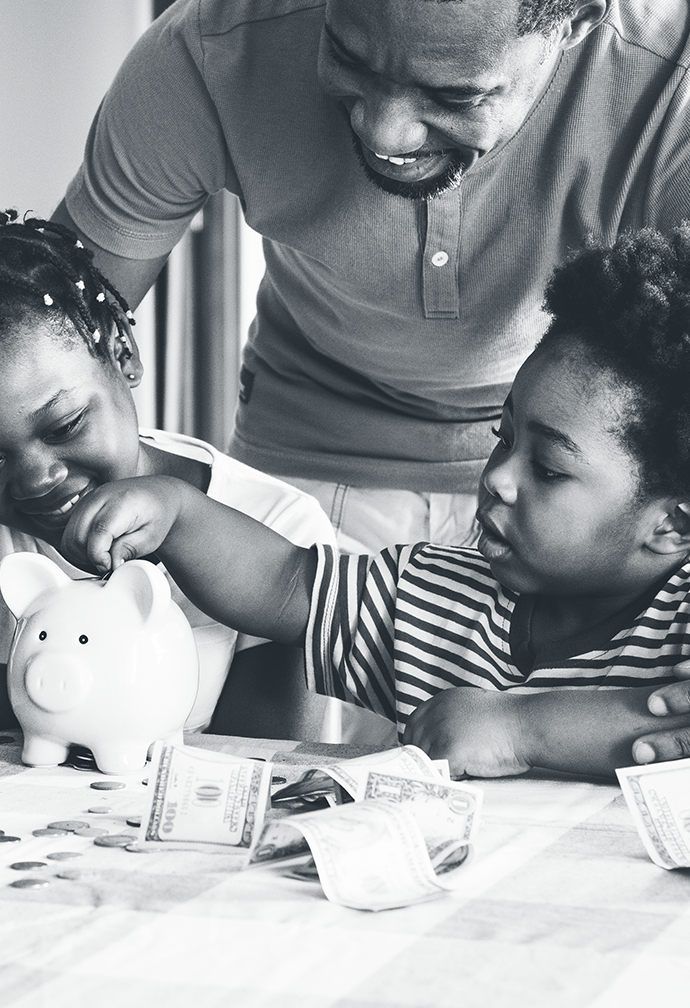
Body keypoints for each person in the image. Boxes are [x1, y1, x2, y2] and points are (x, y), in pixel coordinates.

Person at [0, 0, 690, 753]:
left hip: (603, 492)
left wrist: (540, 728)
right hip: (313, 488)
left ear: (577, 22)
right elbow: (8, 353)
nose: (383, 130)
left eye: (453, 94)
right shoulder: (213, 50)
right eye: (351, 58)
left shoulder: (673, 87)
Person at [60, 227, 690, 778]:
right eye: (504, 437)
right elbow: (283, 584)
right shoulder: (440, 598)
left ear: (673, 524)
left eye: (549, 469)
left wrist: (520, 728)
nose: (498, 477)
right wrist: (176, 511)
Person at [0, 210, 334, 732]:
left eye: (65, 427)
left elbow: (266, 757)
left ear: (122, 351)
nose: (36, 478)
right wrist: (43, 695)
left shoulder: (279, 526)